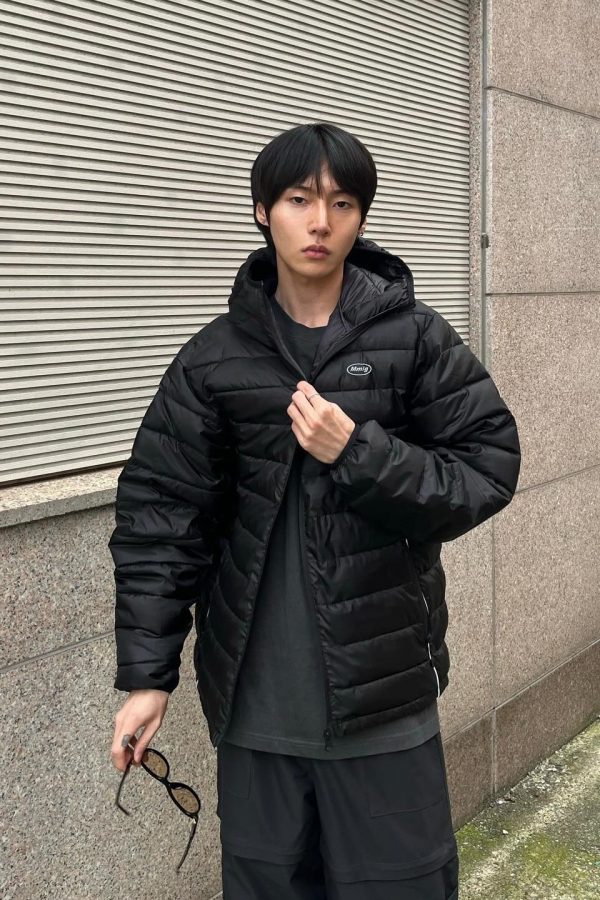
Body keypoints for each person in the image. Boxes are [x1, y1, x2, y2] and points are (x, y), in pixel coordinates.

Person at [109, 122, 521, 898]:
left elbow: (487, 467)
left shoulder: (414, 340)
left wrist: (358, 452)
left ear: (361, 217)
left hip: (384, 702)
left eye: (342, 202)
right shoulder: (214, 358)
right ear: (262, 210)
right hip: (257, 712)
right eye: (299, 199)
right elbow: (162, 519)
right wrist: (146, 678)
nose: (321, 221)